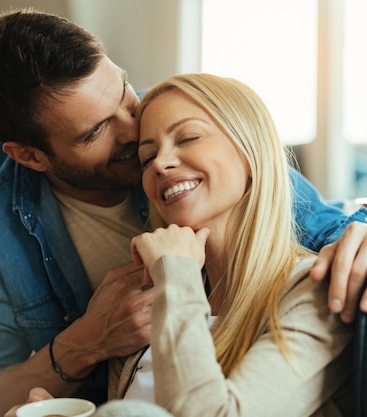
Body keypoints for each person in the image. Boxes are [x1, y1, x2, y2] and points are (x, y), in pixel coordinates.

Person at [0, 9, 367, 417]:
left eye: (124, 93)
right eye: (96, 131)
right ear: (30, 157)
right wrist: (86, 343)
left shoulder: (180, 125)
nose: (133, 130)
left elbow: (326, 229)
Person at [113, 73, 353, 415]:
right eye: (147, 158)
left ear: (250, 151)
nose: (161, 164)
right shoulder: (148, 302)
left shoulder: (313, 291)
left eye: (188, 137)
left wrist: (177, 274)